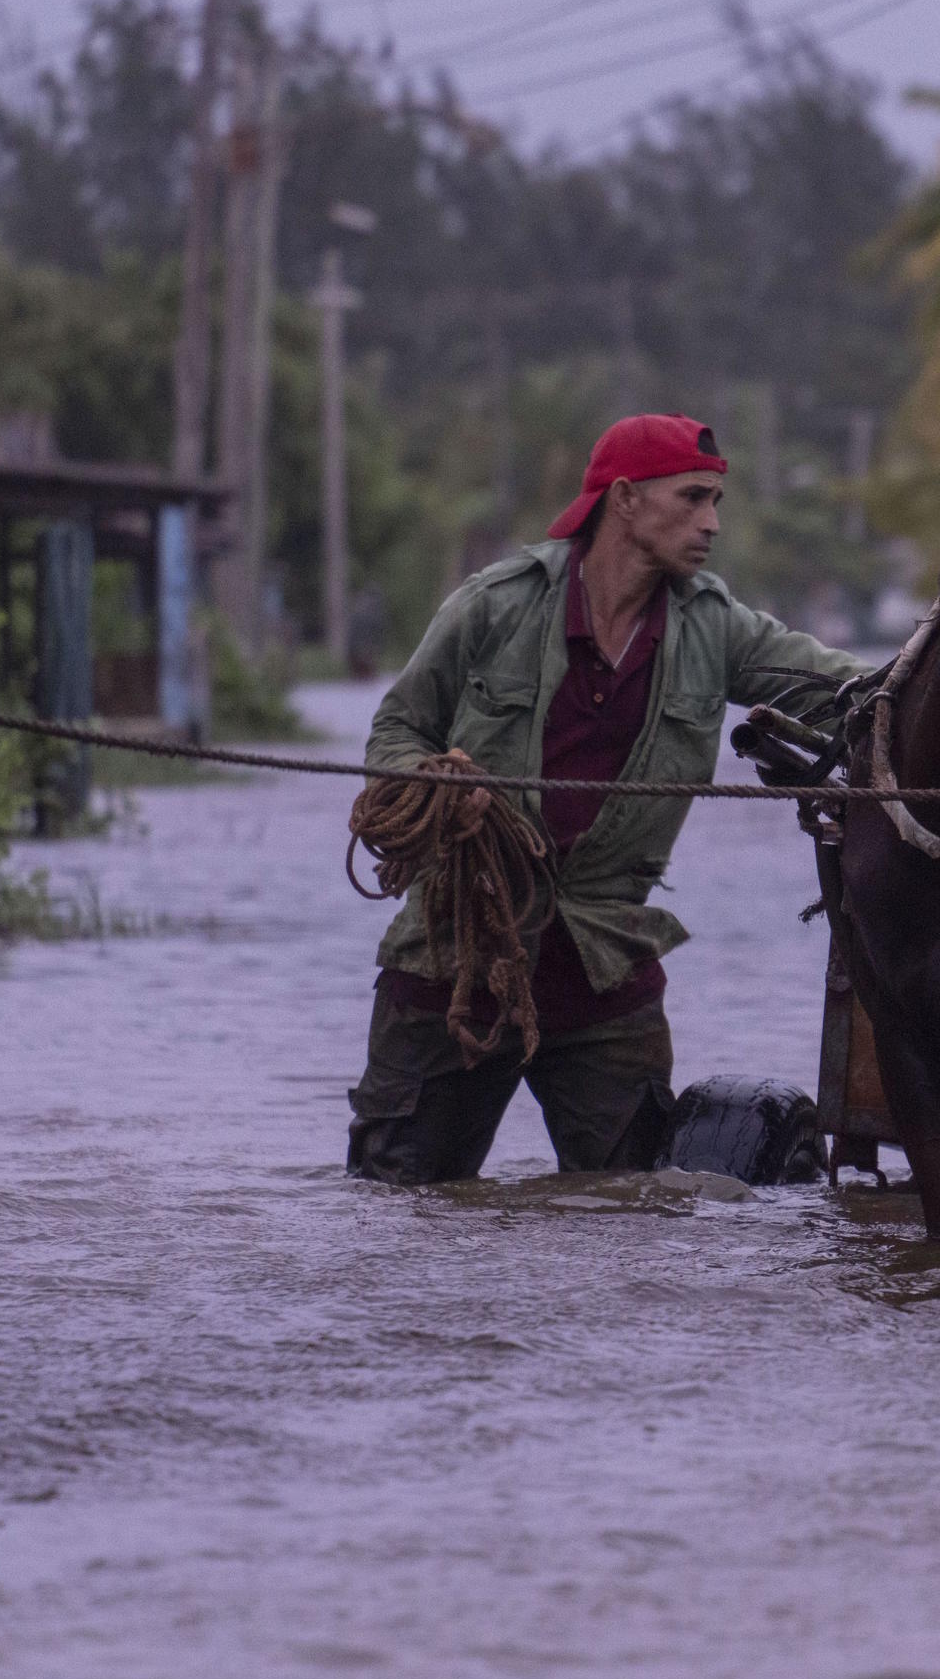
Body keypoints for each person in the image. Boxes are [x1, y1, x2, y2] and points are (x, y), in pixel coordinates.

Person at [345, 412, 863, 1185]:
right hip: (454, 964)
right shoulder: (495, 606)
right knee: (402, 1214)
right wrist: (434, 786)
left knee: (631, 1226)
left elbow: (849, 695)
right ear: (623, 500)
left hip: (604, 977)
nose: (712, 523)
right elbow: (396, 730)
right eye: (692, 499)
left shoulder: (716, 629)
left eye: (716, 502)